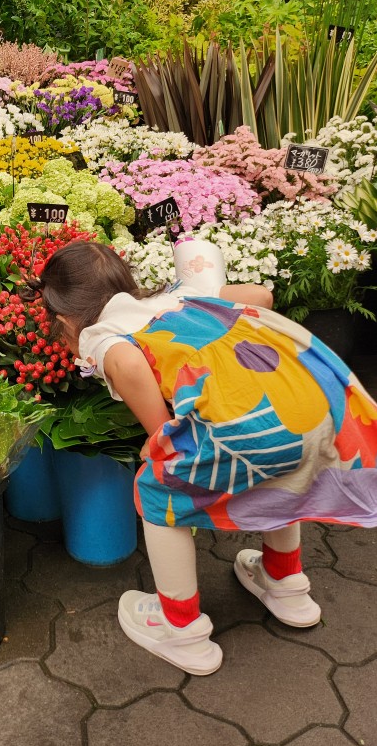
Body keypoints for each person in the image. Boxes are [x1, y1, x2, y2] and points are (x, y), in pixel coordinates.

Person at [24, 241, 377, 676]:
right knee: (283, 473)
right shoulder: (177, 297)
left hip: (258, 423)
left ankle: (182, 629)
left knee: (158, 490)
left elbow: (129, 366)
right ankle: (285, 584)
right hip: (311, 400)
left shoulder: (103, 334)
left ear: (63, 318)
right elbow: (262, 297)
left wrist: (159, 437)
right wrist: (206, 295)